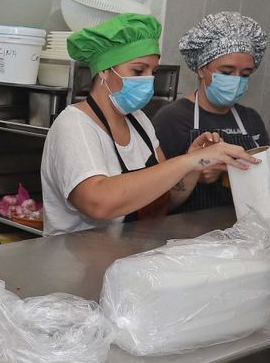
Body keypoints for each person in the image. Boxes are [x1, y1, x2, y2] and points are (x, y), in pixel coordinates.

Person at [40, 13, 257, 235]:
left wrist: (194, 167)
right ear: (104, 70)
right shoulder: (74, 125)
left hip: (126, 255)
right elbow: (98, 202)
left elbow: (165, 200)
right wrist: (188, 161)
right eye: (138, 71)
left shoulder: (139, 120)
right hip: (75, 261)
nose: (148, 80)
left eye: (153, 72)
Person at [151, 12, 270, 214]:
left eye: (245, 74)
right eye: (226, 72)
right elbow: (156, 200)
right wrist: (194, 173)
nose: (236, 80)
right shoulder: (172, 119)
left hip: (241, 229)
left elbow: (265, 183)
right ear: (201, 69)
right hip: (184, 234)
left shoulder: (251, 120)